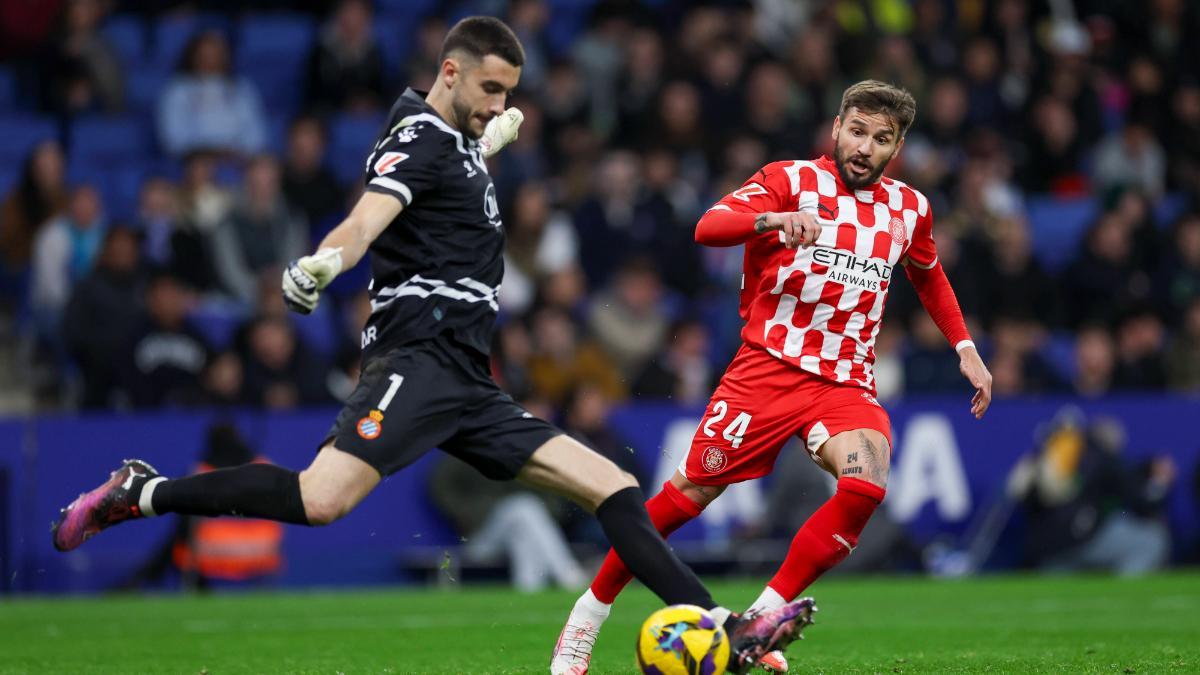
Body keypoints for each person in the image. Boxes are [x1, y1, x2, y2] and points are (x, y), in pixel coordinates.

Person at [51, 17, 812, 673]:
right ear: (450, 73)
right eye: (490, 91)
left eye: (510, 93)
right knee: (320, 500)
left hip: (467, 378)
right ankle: (141, 491)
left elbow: (449, 179)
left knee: (611, 483)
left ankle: (725, 627)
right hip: (416, 360)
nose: (501, 105)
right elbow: (368, 216)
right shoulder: (418, 137)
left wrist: (489, 143)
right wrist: (326, 259)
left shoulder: (451, 137)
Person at [551, 80, 994, 674]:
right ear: (836, 128)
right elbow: (708, 227)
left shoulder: (910, 208)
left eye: (880, 139)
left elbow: (929, 274)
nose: (864, 148)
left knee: (866, 484)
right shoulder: (790, 180)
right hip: (767, 369)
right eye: (857, 132)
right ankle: (587, 614)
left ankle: (758, 624)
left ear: (898, 147)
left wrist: (965, 347)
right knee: (687, 498)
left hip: (843, 381)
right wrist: (772, 220)